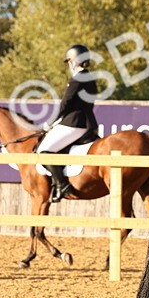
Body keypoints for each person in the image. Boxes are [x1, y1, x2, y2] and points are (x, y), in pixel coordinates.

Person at [37, 44, 99, 202]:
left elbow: (65, 104)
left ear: (75, 61)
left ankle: (62, 185)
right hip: (88, 123)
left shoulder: (77, 79)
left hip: (73, 124)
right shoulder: (90, 78)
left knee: (44, 151)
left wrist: (50, 123)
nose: (69, 64)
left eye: (70, 61)